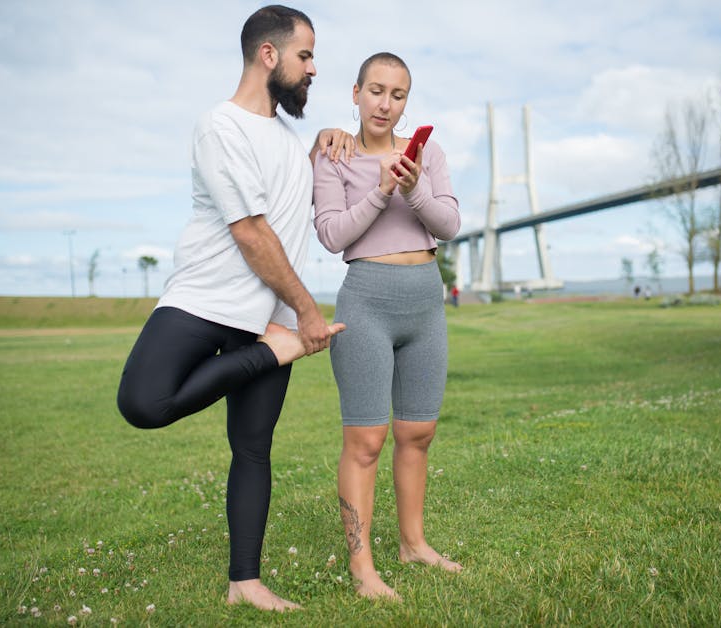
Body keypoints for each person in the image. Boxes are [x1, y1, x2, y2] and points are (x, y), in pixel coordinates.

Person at [116, 5, 351, 613]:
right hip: (205, 300)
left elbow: (281, 199)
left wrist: (320, 144)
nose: (313, 70)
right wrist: (303, 315)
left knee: (252, 448)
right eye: (305, 56)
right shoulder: (218, 126)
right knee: (143, 403)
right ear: (267, 55)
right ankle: (269, 353)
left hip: (269, 312)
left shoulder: (287, 137)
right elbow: (250, 231)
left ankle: (245, 581)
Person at [312, 52, 463, 600]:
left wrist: (413, 187)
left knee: (418, 432)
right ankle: (361, 567)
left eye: (397, 95)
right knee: (366, 438)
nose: (386, 104)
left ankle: (414, 544)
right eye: (376, 91)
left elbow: (447, 224)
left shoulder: (428, 155)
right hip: (367, 301)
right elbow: (331, 235)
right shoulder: (334, 155)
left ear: (406, 102)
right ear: (355, 93)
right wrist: (380, 191)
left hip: (425, 300)